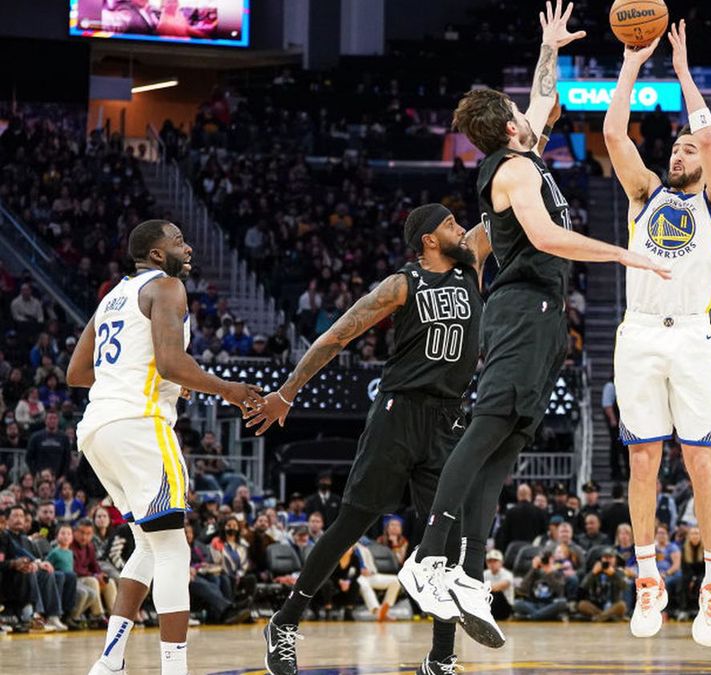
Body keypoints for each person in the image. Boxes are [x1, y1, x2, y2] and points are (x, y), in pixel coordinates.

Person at [399, 0, 667, 651]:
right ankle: (427, 558)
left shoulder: (524, 154)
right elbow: (546, 236)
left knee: (504, 448)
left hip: (542, 316)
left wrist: (551, 46)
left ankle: (468, 574)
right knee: (485, 431)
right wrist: (621, 252)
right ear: (510, 127)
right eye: (521, 113)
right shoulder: (515, 169)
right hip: (520, 308)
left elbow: (544, 98)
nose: (532, 112)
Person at [247, 204, 490, 675]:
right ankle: (285, 621)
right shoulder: (402, 284)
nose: (463, 229)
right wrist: (287, 392)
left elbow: (508, 195)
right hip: (399, 414)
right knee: (353, 521)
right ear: (428, 240)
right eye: (450, 224)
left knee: (445, 534)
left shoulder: (471, 264)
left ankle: (441, 658)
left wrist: (531, 159)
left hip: (448, 418)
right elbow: (337, 336)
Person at [68, 220, 263, 675]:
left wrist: (142, 377)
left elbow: (77, 373)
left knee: (147, 544)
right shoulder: (167, 286)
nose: (187, 247)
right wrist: (228, 389)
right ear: (157, 254)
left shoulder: (111, 297)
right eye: (178, 241)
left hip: (97, 429)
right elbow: (172, 363)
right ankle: (174, 669)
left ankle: (110, 661)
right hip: (139, 425)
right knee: (174, 549)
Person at [603, 20, 711, 647]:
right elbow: (614, 134)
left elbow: (709, 139)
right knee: (643, 460)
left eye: (687, 150)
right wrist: (632, 64)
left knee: (700, 460)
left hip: (690, 336)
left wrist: (683, 72)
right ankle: (648, 579)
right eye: (676, 149)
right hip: (638, 334)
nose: (679, 154)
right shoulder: (645, 195)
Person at [578, 547, 629, 622]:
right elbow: (583, 586)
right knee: (582, 604)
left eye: (610, 557)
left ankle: (599, 618)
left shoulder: (619, 572)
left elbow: (626, 586)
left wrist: (613, 574)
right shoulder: (595, 571)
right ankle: (608, 617)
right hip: (597, 606)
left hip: (613, 606)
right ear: (601, 559)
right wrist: (592, 573)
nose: (608, 560)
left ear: (615, 559)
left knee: (622, 605)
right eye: (605, 557)